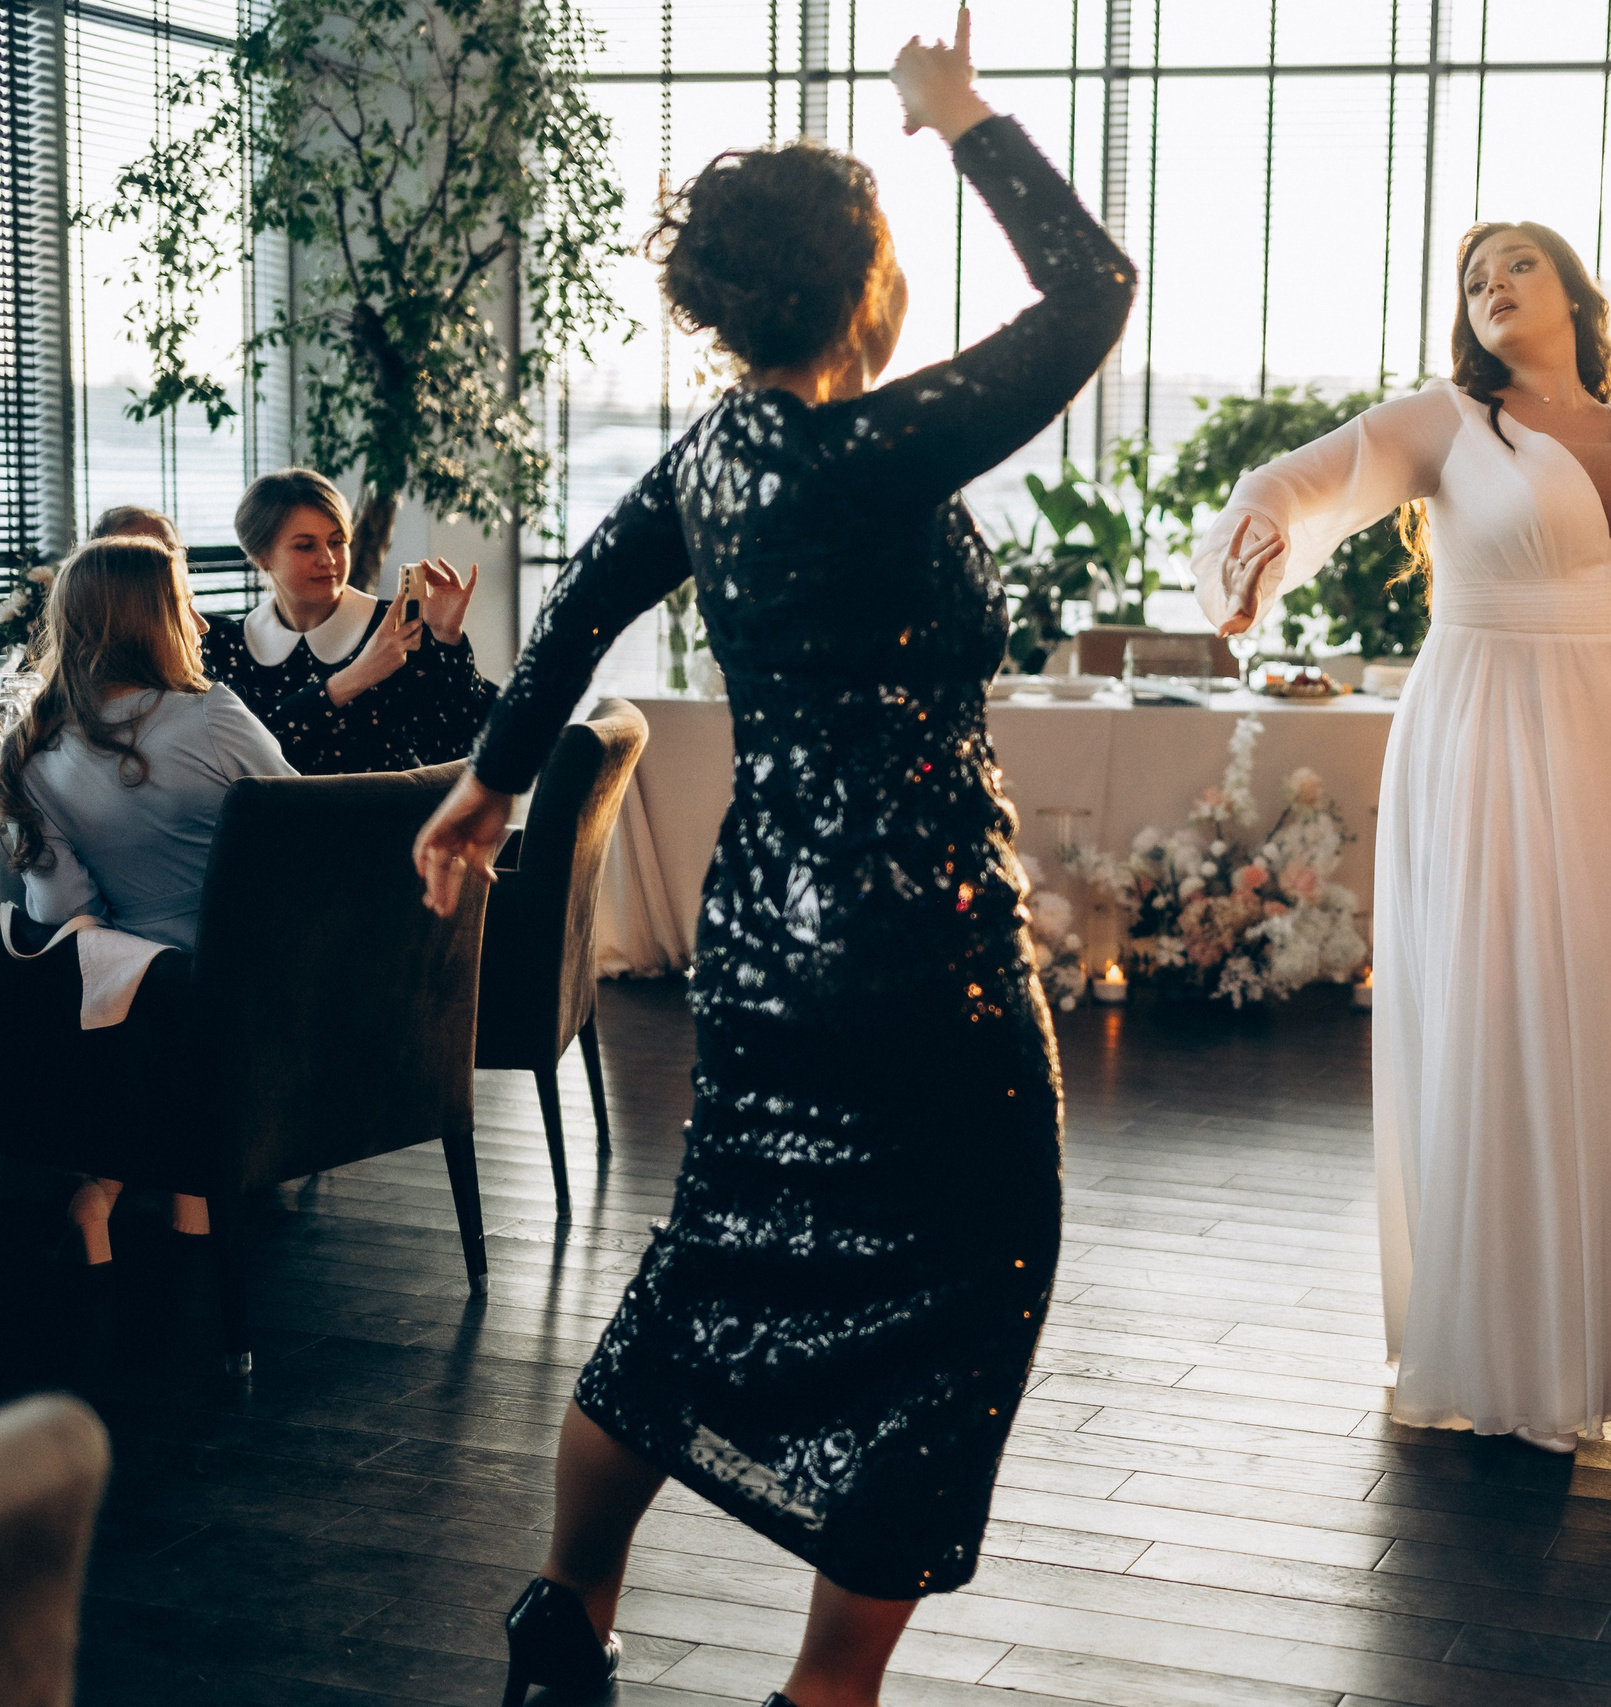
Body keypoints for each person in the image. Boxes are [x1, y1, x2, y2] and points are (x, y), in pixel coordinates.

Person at [409, 16, 1132, 1707]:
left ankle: (564, 1613)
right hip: (915, 934)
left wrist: (491, 782)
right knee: (974, 1271)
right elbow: (1093, 292)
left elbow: (579, 603)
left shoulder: (717, 457)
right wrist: (963, 118)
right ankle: (825, 1693)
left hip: (762, 937)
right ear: (863, 283)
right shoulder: (871, 446)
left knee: (712, 1256)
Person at [1195, 135, 1611, 1453]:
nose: (1494, 280)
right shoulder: (1448, 420)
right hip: (1485, 729)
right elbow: (1308, 478)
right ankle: (1498, 1329)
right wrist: (1250, 555)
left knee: (1610, 1006)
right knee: (1504, 1008)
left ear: (1576, 298)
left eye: (1520, 262)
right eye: (1477, 272)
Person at [0, 536, 296, 1257]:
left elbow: (63, 913)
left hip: (141, 985)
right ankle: (185, 1214)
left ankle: (106, 1192)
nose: (197, 621)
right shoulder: (211, 716)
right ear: (151, 619)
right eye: (185, 602)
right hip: (264, 980)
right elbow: (307, 832)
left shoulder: (33, 750)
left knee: (167, 1013)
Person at [197, 469, 495, 774]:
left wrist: (447, 639)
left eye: (337, 541)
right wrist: (356, 676)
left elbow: (460, 751)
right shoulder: (226, 644)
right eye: (305, 545)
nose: (328, 559)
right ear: (262, 557)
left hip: (389, 818)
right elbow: (244, 757)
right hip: (279, 821)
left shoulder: (395, 629)